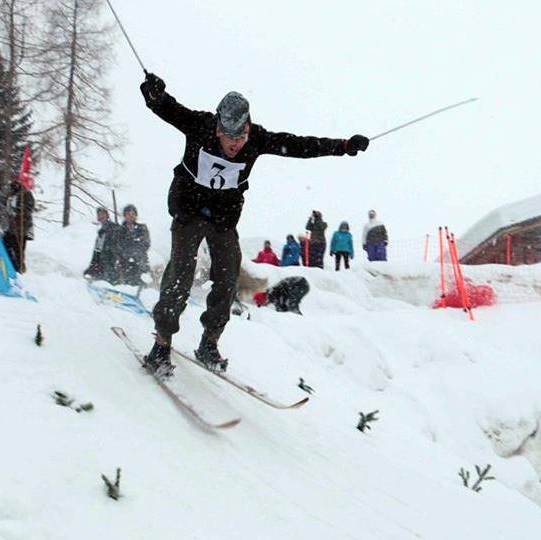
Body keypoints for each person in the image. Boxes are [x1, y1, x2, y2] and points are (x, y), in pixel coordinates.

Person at [138, 72, 368, 377]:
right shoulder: (199, 125)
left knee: (228, 275)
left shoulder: (257, 138)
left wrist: (341, 145)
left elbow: (298, 145)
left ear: (247, 129)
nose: (235, 144)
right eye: (229, 137)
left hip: (222, 219)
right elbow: (166, 108)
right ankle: (162, 343)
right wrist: (154, 95)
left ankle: (209, 342)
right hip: (190, 212)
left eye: (240, 138)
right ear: (218, 128)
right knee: (181, 271)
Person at [114, 204, 151, 286]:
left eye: (133, 214)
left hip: (140, 262)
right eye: (128, 214)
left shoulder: (142, 228)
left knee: (142, 286)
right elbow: (118, 246)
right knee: (127, 286)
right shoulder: (120, 230)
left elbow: (146, 244)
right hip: (125, 263)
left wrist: (133, 245)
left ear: (136, 215)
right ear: (124, 216)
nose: (131, 216)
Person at [3, 182, 35, 273]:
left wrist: (19, 209)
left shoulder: (26, 194)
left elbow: (29, 207)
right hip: (12, 226)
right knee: (6, 242)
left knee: (18, 248)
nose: (12, 189)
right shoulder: (12, 195)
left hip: (22, 226)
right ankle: (9, 264)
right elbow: (3, 202)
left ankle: (19, 268)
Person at [84, 206, 119, 282]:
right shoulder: (101, 230)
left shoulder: (113, 227)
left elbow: (116, 242)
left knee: (109, 279)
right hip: (100, 259)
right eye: (99, 214)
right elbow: (97, 249)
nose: (100, 216)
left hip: (110, 259)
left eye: (102, 214)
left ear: (107, 215)